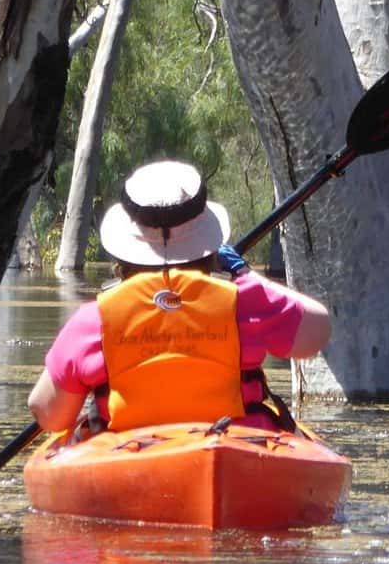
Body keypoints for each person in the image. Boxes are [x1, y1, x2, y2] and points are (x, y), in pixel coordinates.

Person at [27, 160, 332, 441]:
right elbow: (317, 332)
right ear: (209, 245)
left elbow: (49, 414)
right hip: (240, 444)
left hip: (129, 450)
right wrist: (245, 274)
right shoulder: (244, 300)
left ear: (124, 253)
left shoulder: (95, 319)